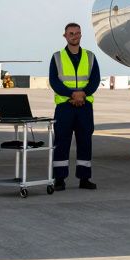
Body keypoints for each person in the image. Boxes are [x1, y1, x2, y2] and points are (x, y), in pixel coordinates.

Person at [49, 22, 101, 190]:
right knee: (61, 142)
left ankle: (84, 179)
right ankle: (59, 179)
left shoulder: (90, 56)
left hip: (84, 106)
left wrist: (82, 94)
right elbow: (54, 81)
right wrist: (72, 94)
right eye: (71, 33)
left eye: (77, 33)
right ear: (65, 36)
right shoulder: (57, 57)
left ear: (81, 35)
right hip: (65, 106)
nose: (74, 36)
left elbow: (94, 80)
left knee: (85, 141)